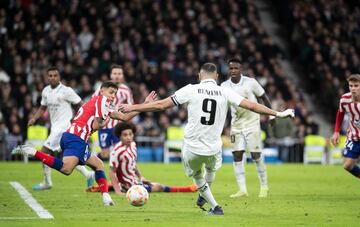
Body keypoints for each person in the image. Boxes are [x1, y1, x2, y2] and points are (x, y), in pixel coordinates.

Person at [119, 63, 294, 215]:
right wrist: (277, 113)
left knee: (197, 175)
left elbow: (160, 105)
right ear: (217, 76)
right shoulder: (225, 91)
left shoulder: (191, 89)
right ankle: (204, 194)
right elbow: (253, 105)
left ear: (199, 75)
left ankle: (215, 205)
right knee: (210, 170)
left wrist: (133, 107)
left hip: (192, 147)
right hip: (214, 148)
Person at [12, 81, 157, 206]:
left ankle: (106, 197)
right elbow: (98, 124)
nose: (113, 96)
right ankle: (33, 152)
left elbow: (125, 117)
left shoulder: (100, 104)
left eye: (115, 93)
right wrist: (104, 122)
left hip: (74, 137)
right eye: (111, 92)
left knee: (98, 164)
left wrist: (144, 105)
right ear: (102, 91)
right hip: (76, 138)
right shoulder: (101, 101)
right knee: (66, 169)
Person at [27, 67, 93, 191]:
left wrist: (85, 119)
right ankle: (88, 174)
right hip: (55, 128)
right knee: (67, 156)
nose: (53, 78)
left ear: (59, 77)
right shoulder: (46, 91)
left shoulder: (66, 91)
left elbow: (81, 104)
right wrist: (34, 119)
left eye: (55, 75)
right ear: (47, 77)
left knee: (44, 152)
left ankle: (47, 182)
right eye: (50, 76)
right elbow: (42, 108)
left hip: (64, 128)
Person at [87, 122, 197, 194]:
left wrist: (141, 177)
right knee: (159, 187)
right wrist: (117, 192)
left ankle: (98, 188)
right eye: (125, 135)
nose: (129, 137)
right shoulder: (117, 151)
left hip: (133, 181)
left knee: (151, 184)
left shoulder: (133, 145)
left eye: (130, 134)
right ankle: (188, 189)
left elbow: (133, 164)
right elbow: (112, 172)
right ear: (119, 136)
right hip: (130, 185)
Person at [221, 58, 273, 198]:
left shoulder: (251, 83)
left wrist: (271, 115)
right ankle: (242, 190)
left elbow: (264, 97)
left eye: (236, 68)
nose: (233, 71)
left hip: (252, 123)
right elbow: (222, 107)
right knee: (237, 155)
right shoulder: (224, 86)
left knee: (255, 154)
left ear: (241, 69)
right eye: (231, 68)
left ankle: (264, 186)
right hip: (236, 125)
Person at [93, 64, 134, 160]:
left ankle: (120, 172)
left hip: (118, 126)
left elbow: (131, 106)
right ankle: (92, 158)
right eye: (115, 73)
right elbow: (93, 100)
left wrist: (128, 122)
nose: (117, 76)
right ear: (111, 75)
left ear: (122, 75)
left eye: (119, 73)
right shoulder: (103, 88)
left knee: (120, 152)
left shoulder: (126, 90)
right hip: (104, 125)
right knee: (105, 154)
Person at [331, 74, 360, 180]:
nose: (353, 88)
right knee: (347, 165)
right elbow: (340, 113)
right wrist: (336, 132)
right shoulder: (344, 99)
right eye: (351, 85)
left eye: (356, 86)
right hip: (354, 137)